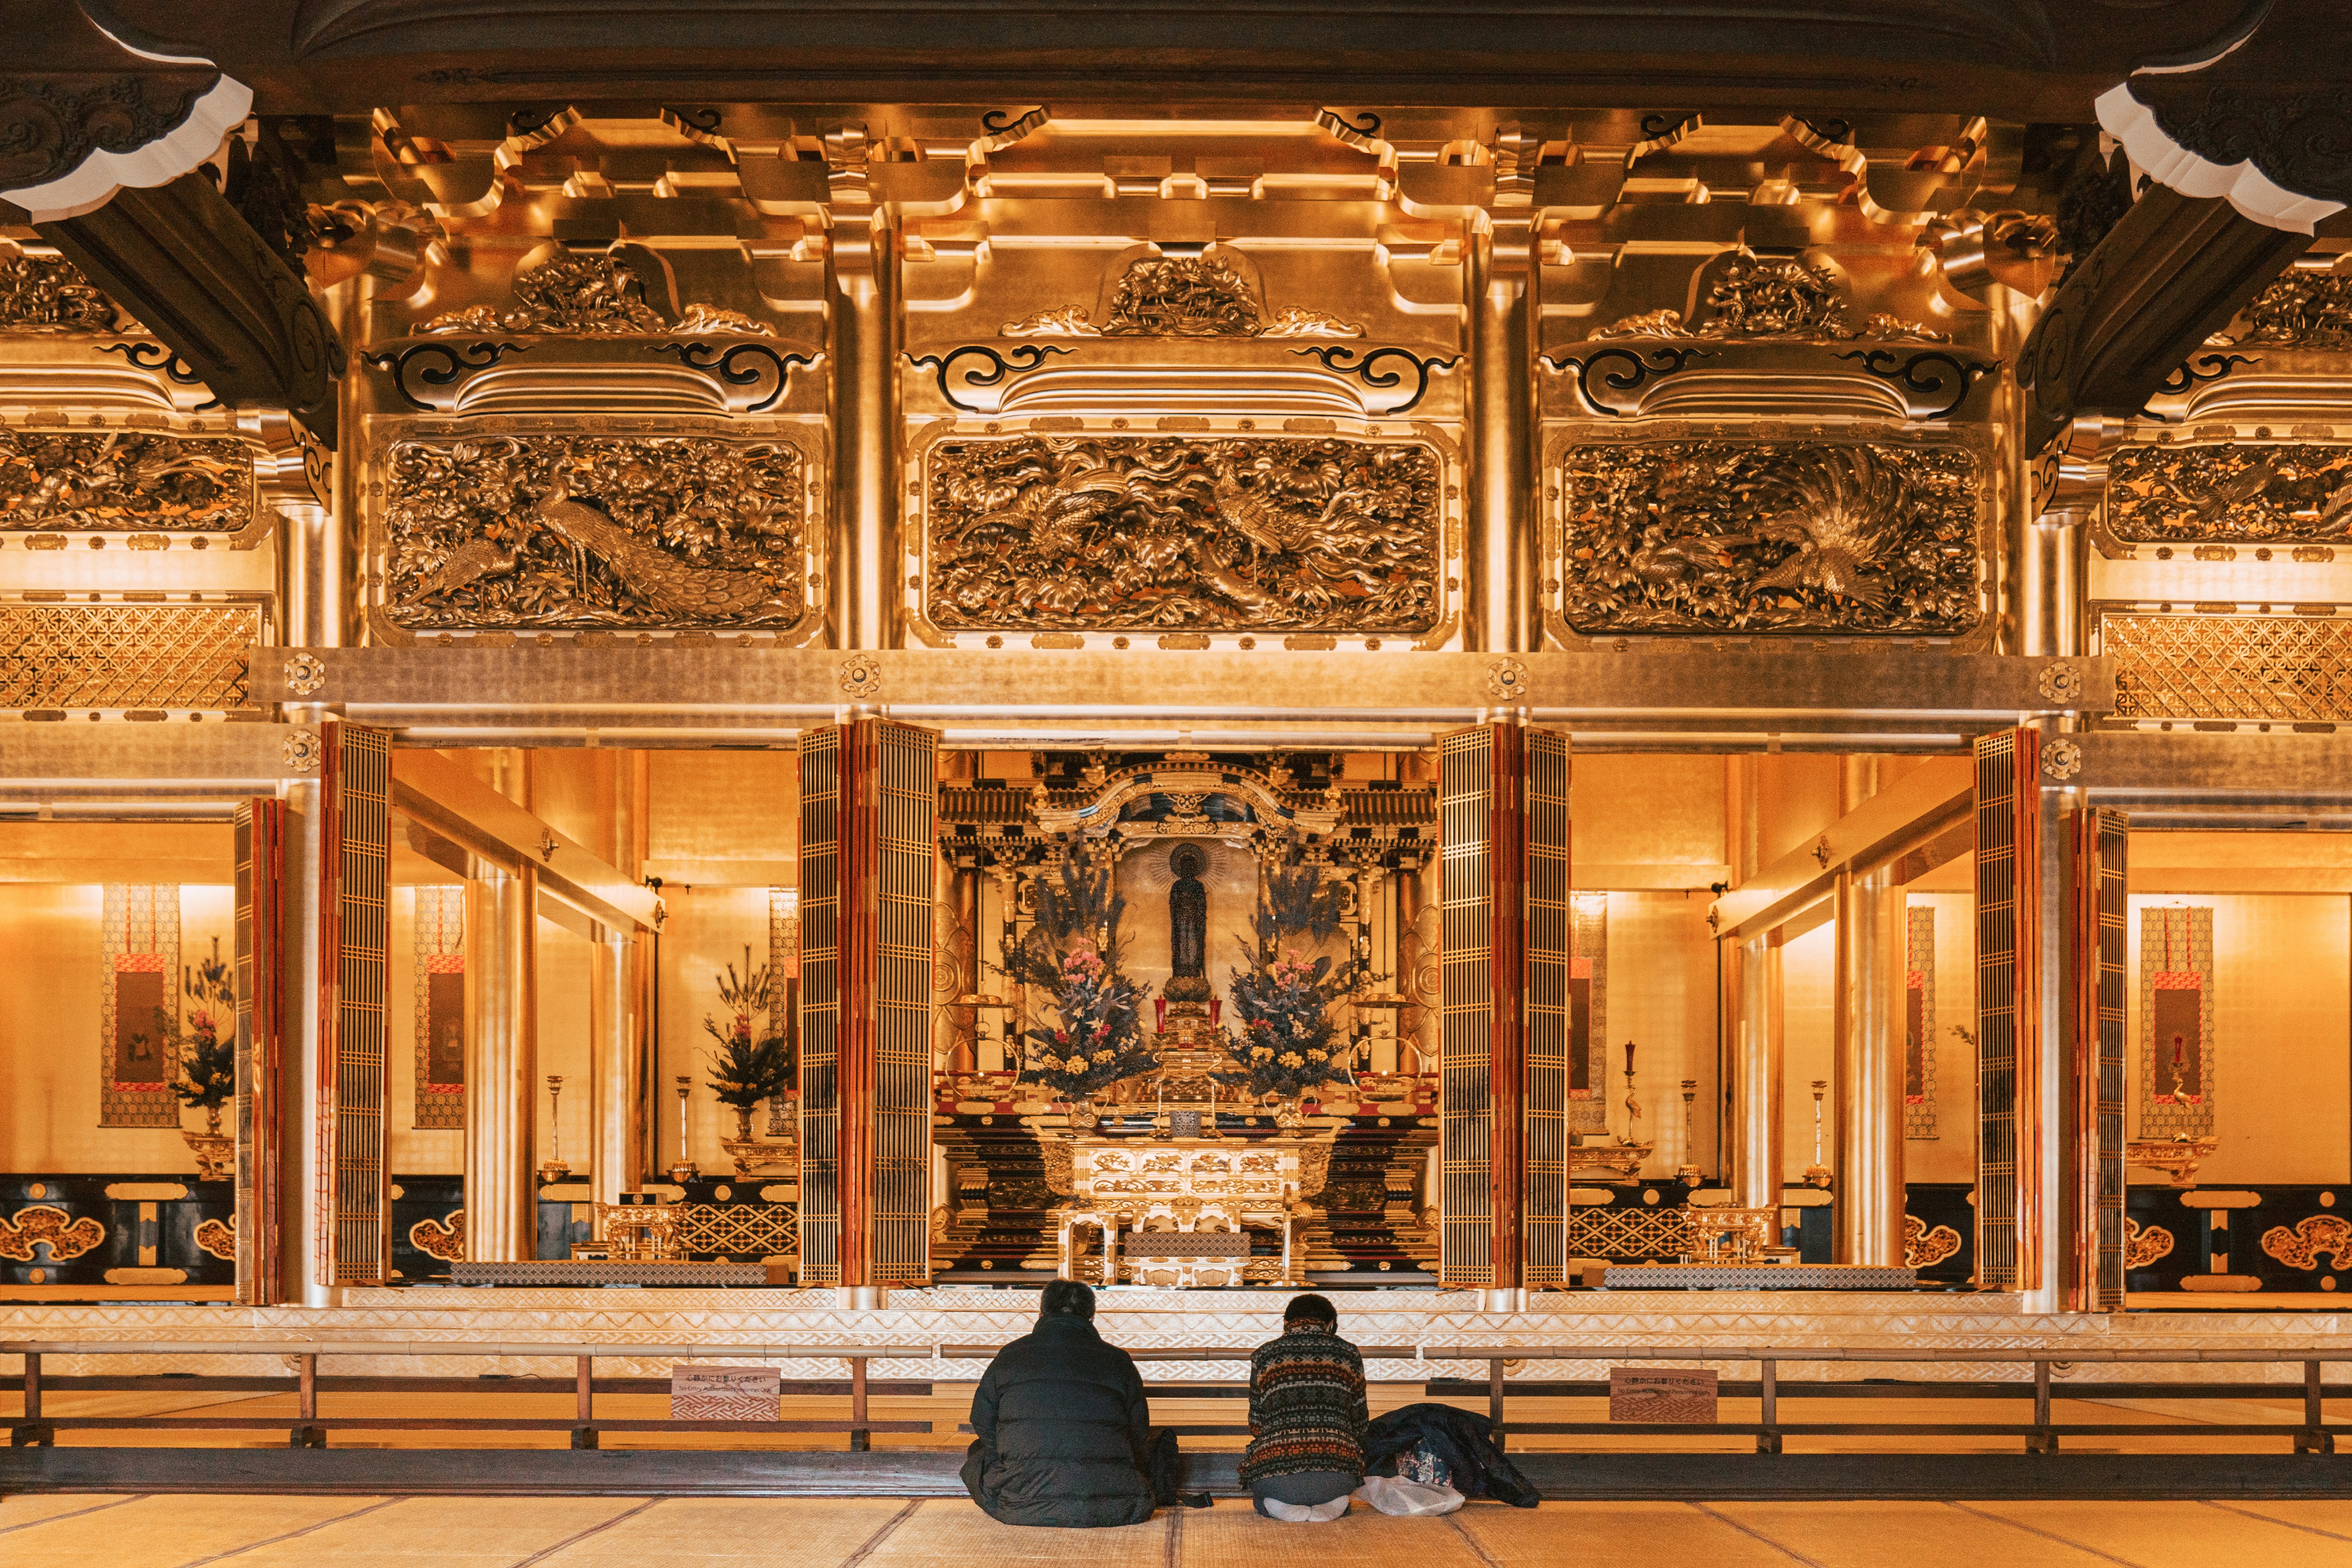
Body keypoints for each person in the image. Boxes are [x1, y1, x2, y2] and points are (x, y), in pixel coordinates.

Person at [962, 1278, 1181, 1527]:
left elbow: (982, 1419)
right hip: (1115, 1507)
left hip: (1021, 1503)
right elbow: (1138, 1430)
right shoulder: (1118, 1360)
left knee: (978, 1451)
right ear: (1092, 1316)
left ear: (1042, 1312)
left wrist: (1010, 1454)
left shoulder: (1011, 1354)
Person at [1238, 1292, 1368, 1522]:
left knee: (1259, 1487)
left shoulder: (1265, 1354)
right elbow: (1359, 1422)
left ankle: (1274, 1505)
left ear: (1286, 1323)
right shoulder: (1349, 1353)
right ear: (1330, 1324)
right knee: (1346, 1466)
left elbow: (1257, 1424)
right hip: (1338, 1477)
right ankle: (1335, 1504)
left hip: (1275, 1478)